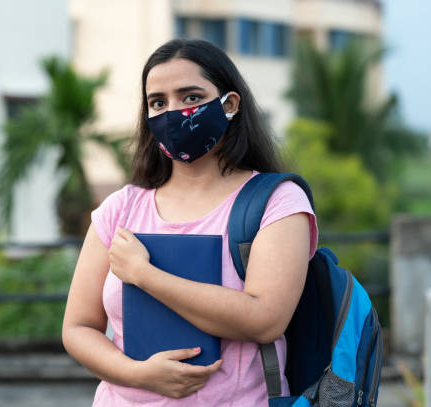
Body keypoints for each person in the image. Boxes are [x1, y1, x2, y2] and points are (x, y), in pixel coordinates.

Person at [62, 38, 318, 406]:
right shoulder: (120, 209)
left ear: (229, 105)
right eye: (158, 102)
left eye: (191, 97)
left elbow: (265, 319)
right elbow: (78, 328)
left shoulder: (275, 202)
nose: (174, 112)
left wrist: (144, 275)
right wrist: (137, 374)